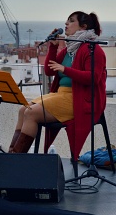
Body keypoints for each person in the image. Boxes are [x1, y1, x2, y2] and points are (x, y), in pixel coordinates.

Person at [8, 11, 106, 156]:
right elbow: (49, 71)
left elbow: (93, 78)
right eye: (66, 20)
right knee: (23, 109)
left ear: (83, 27)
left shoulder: (93, 49)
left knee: (31, 113)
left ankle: (16, 158)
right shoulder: (68, 50)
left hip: (80, 100)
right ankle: (11, 154)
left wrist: (65, 69)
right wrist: (53, 47)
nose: (66, 23)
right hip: (62, 95)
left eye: (71, 21)